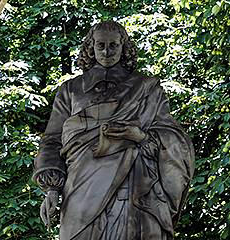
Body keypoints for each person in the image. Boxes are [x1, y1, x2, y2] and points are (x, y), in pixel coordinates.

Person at [32, 21, 195, 240]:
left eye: (113, 45)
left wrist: (140, 136)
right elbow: (52, 140)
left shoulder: (146, 88)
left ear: (123, 47)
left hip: (135, 187)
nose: (106, 51)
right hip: (81, 189)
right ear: (91, 47)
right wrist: (52, 188)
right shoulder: (71, 90)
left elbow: (173, 138)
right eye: (100, 45)